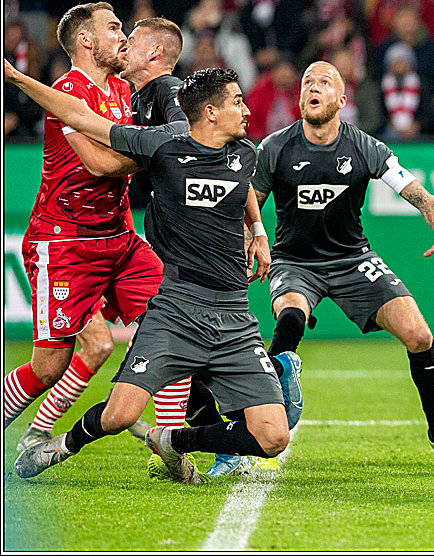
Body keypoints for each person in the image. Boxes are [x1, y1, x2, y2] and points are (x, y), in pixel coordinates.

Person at [7, 64, 290, 485]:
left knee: (274, 437)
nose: (247, 110)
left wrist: (258, 230)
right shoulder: (161, 146)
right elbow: (84, 118)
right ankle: (61, 445)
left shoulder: (245, 152)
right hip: (176, 310)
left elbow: (244, 184)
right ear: (209, 112)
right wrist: (15, 78)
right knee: (120, 415)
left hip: (234, 317)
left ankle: (175, 441)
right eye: (237, 101)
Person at [212, 60, 434, 469]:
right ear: (300, 96)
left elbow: (414, 191)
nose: (312, 88)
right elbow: (250, 204)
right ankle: (270, 432)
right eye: (307, 82)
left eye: (324, 82)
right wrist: (254, 237)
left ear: (342, 99)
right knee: (288, 324)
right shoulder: (274, 148)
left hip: (352, 258)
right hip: (294, 260)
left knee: (420, 336)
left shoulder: (364, 146)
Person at [1, 4, 170, 448]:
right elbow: (99, 164)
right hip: (65, 244)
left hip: (119, 238)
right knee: (48, 368)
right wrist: (163, 151)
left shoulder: (121, 89)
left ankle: (167, 445)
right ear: (86, 41)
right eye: (114, 28)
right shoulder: (65, 93)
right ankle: (32, 430)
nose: (124, 37)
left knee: (169, 320)